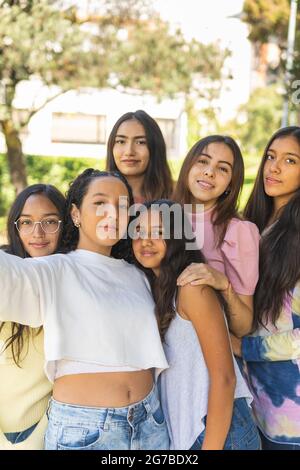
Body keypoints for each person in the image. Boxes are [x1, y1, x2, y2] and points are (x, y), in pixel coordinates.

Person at [0, 169, 169, 450]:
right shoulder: (55, 270)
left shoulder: (140, 274)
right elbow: (8, 277)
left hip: (150, 423)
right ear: (76, 215)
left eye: (122, 205)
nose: (113, 213)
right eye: (100, 203)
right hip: (84, 429)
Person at [132, 200, 259, 450]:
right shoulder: (157, 290)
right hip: (190, 432)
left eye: (158, 233)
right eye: (139, 232)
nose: (145, 241)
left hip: (221, 434)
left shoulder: (192, 288)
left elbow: (224, 378)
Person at [231, 126, 300, 450]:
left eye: (290, 161)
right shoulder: (252, 225)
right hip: (253, 406)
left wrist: (245, 348)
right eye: (271, 156)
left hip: (291, 417)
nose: (273, 167)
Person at [174, 135, 260, 339]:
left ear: (231, 183)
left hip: (208, 353)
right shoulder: (163, 217)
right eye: (202, 161)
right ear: (188, 167)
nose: (209, 172)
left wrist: (223, 284)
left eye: (222, 168)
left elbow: (244, 326)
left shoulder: (238, 232)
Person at [0, 184, 65, 449]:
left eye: (49, 222)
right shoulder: (6, 272)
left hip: (45, 427)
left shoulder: (71, 277)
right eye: (26, 222)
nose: (37, 233)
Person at [106, 110, 173, 203]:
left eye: (140, 142)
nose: (129, 152)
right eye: (121, 141)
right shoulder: (93, 196)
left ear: (155, 147)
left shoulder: (177, 198)